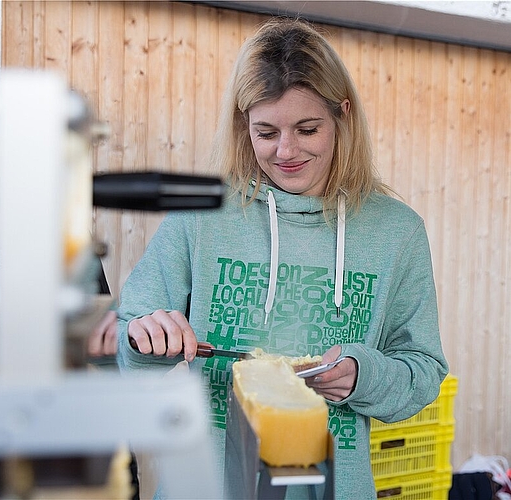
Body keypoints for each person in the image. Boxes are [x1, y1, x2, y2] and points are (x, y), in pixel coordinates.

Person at [116, 17, 448, 499]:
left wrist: (364, 375)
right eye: (265, 131)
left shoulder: (397, 232)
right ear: (242, 125)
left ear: (343, 116)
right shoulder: (200, 214)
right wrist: (145, 336)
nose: (285, 150)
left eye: (307, 128)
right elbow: (130, 345)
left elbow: (423, 374)